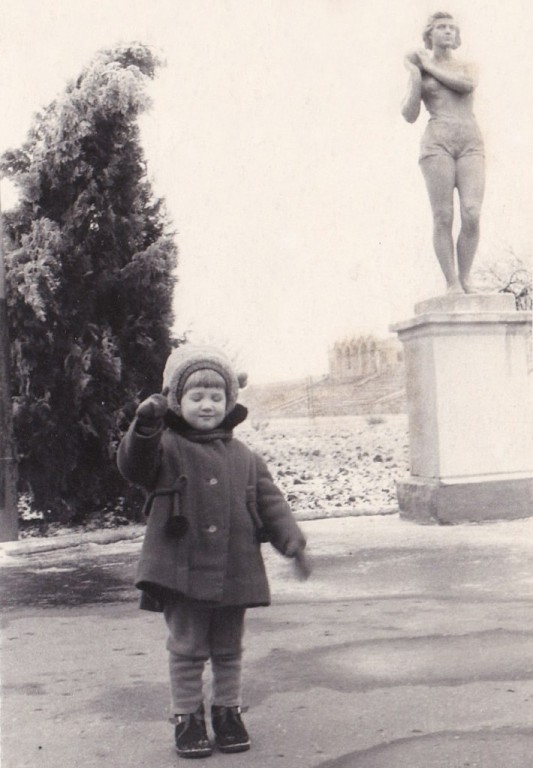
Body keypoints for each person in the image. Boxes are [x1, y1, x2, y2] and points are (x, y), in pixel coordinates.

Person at [117, 345, 309, 759]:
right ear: (176, 401)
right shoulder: (164, 447)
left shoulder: (245, 457)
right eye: (196, 396)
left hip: (234, 568)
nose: (207, 405)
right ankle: (187, 717)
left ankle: (227, 712)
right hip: (178, 567)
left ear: (229, 403)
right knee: (186, 646)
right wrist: (144, 427)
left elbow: (271, 502)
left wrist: (290, 539)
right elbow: (134, 466)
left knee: (228, 647)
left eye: (216, 396)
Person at [401, 12, 485, 294]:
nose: (448, 32)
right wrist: (415, 75)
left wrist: (426, 64)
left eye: (452, 28)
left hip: (469, 140)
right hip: (437, 141)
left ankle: (466, 276)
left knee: (471, 213)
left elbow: (466, 85)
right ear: (430, 35)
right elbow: (409, 114)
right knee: (443, 215)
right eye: (441, 28)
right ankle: (452, 282)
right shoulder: (422, 71)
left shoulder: (467, 66)